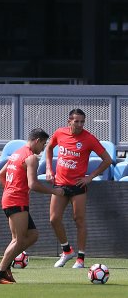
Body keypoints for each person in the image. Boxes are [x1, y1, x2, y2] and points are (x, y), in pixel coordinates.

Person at [0, 129, 65, 284]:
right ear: (37, 140)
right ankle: (0, 272)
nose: (43, 148)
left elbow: (0, 176)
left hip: (12, 199)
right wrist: (54, 191)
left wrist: (12, 189)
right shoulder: (31, 158)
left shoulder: (16, 153)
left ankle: (4, 267)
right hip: (16, 200)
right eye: (44, 144)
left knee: (32, 235)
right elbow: (33, 184)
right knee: (18, 240)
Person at [46, 108, 113, 269]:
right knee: (54, 219)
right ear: (69, 121)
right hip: (60, 183)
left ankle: (80, 259)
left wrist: (90, 177)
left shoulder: (89, 138)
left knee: (79, 220)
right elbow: (49, 148)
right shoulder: (60, 133)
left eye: (82, 121)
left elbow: (107, 160)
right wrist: (49, 169)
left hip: (78, 185)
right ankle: (67, 250)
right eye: (76, 121)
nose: (80, 124)